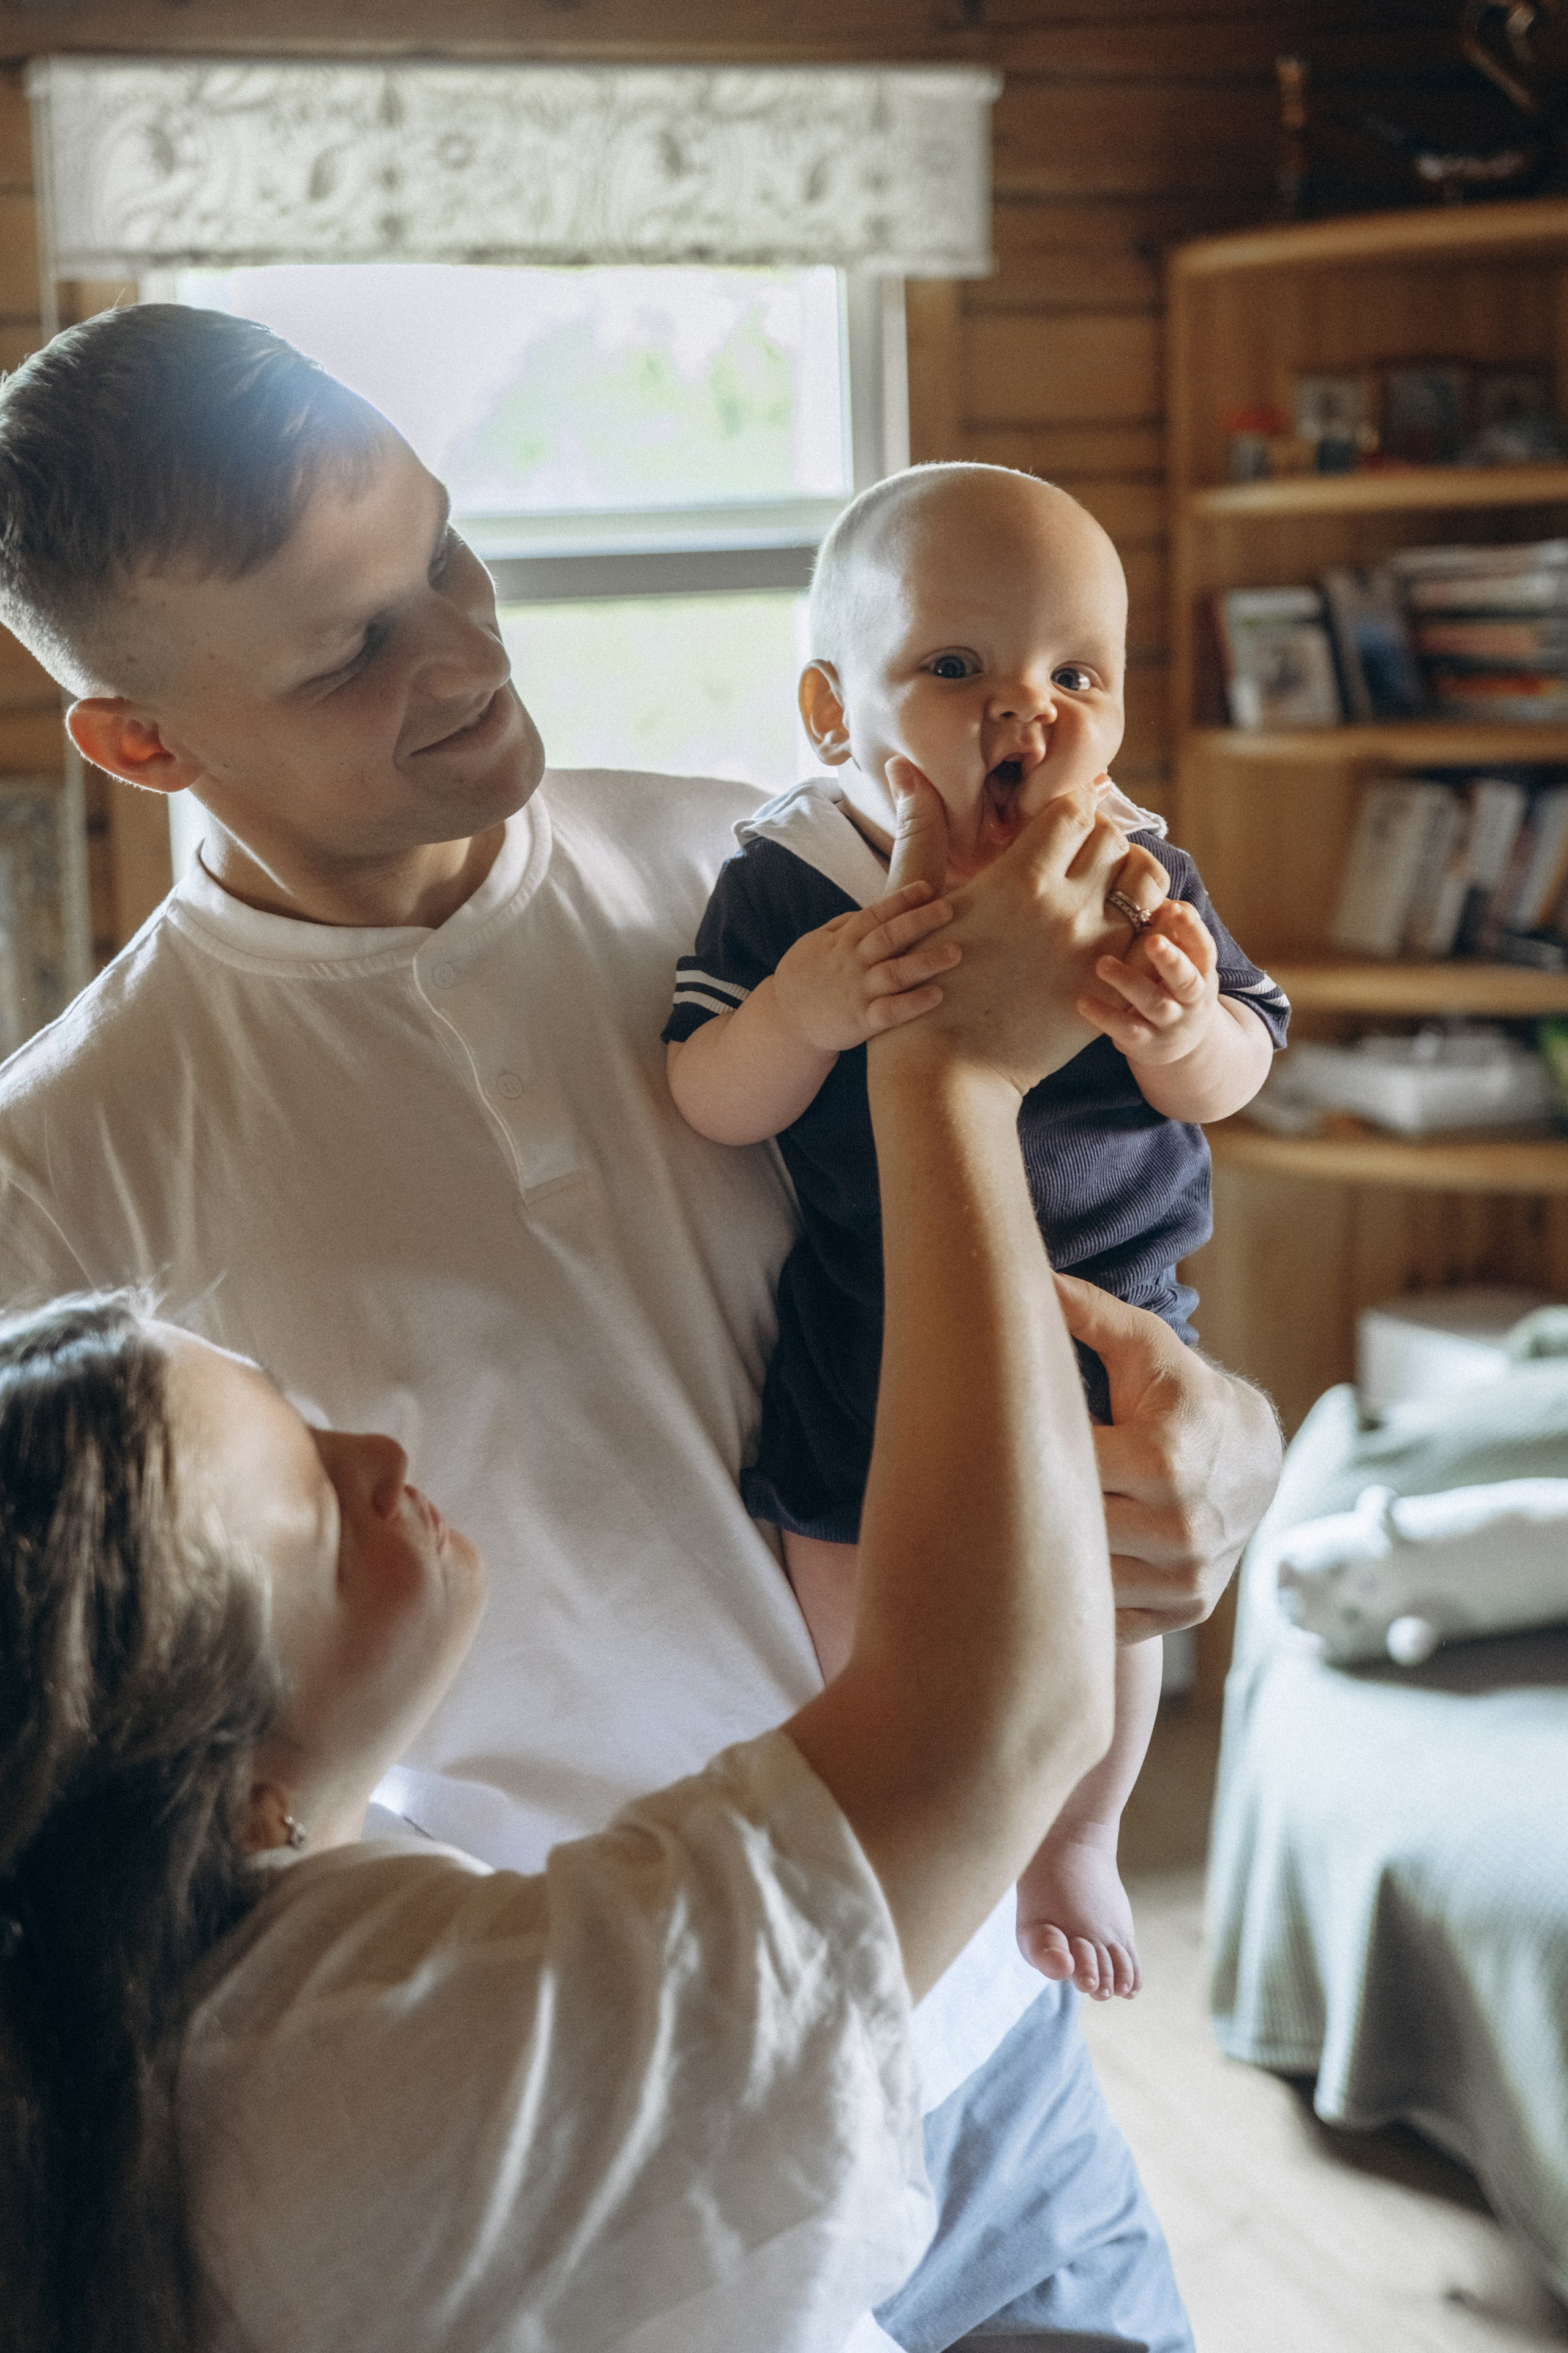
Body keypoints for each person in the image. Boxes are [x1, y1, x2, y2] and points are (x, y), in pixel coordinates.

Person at [0, 304, 1281, 2351]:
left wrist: (1227, 1455)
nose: (467, 650)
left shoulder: (786, 876)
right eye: (345, 648)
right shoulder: (60, 1187)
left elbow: (1109, 1217)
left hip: (1006, 2076)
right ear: (141, 742)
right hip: (614, 2183)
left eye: (445, 550)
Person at [0, 800, 1122, 2350]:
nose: (381, 1454)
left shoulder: (746, 866)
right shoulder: (403, 2074)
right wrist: (952, 1075)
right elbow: (983, 1727)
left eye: (309, 1410)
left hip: (1002, 2049)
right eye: (324, 1515)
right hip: (817, 1995)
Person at [665, 463, 1291, 2001]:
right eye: (956, 668)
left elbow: (1243, 1067)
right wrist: (806, 1008)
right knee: (854, 1569)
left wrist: (1180, 1028)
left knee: (1112, 1586)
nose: (1027, 712)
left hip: (1102, 1318)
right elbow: (706, 1095)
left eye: (1073, 674)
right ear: (834, 714)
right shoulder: (793, 879)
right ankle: (911, 1799)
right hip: (871, 1321)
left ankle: (1078, 1826)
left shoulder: (1125, 870)